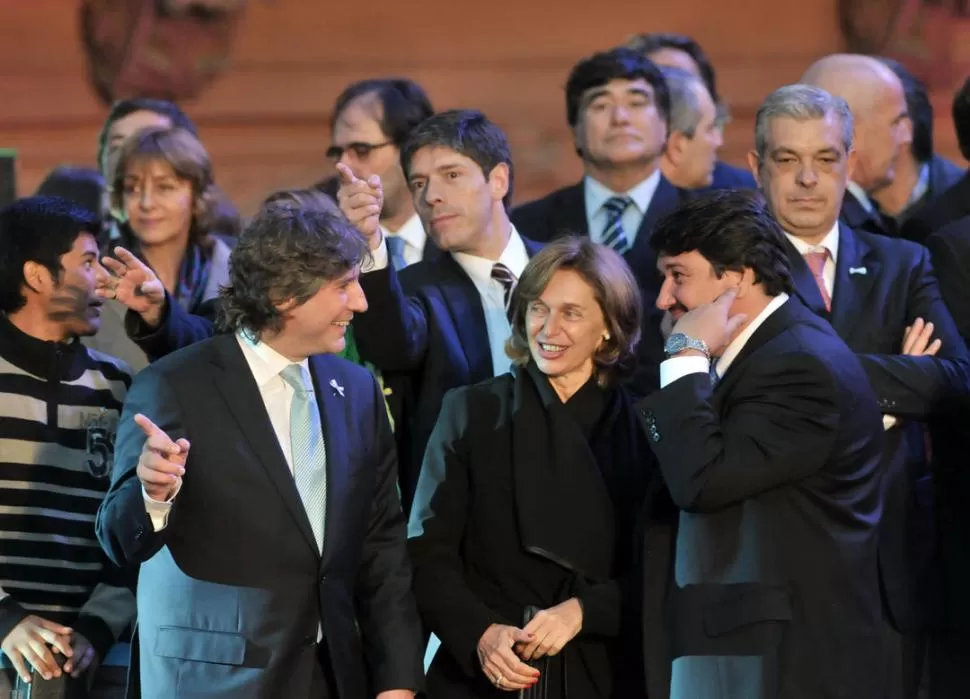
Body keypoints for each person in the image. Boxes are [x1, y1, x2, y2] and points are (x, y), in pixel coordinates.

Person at [95, 202, 424, 698]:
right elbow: (119, 541)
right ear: (284, 295)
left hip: (330, 676)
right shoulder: (175, 384)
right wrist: (152, 494)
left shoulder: (355, 390)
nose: (360, 303)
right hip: (213, 681)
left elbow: (381, 546)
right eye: (343, 286)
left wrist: (398, 680)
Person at [640, 189, 888, 698]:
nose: (663, 299)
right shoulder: (772, 351)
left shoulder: (798, 365)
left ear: (738, 275)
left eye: (678, 276)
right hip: (745, 650)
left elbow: (703, 481)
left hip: (785, 663)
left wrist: (684, 354)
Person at [408, 237, 667, 698]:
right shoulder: (472, 411)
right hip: (486, 671)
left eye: (571, 313)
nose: (548, 328)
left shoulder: (647, 428)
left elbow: (664, 564)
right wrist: (481, 634)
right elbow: (427, 551)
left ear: (608, 327)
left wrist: (585, 611)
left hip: (603, 670)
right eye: (537, 309)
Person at [341, 109, 543, 512]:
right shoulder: (415, 288)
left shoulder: (570, 271)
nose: (431, 196)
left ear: (498, 180)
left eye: (451, 175)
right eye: (419, 183)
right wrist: (368, 242)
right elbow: (390, 344)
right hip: (460, 518)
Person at [0, 196, 135, 694]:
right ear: (37, 277)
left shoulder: (119, 385)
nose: (103, 280)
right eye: (87, 262)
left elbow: (134, 528)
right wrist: (6, 620)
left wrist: (97, 628)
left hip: (87, 665)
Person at [511, 47, 690, 394]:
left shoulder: (702, 221)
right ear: (575, 130)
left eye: (637, 102)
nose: (620, 117)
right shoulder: (527, 225)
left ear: (665, 124)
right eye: (600, 104)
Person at [85, 126, 232, 372]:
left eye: (164, 187)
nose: (146, 203)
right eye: (132, 188)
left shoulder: (237, 271)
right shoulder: (95, 276)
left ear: (197, 195)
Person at [624, 31, 757, 190]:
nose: (673, 96)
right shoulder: (607, 195)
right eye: (660, 82)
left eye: (684, 82)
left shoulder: (746, 195)